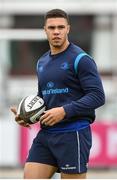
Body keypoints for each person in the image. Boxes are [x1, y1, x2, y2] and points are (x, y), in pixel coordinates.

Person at [11, 9, 105, 179]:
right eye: (52, 27)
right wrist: (27, 115)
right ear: (45, 30)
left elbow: (98, 96)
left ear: (68, 29)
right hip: (46, 135)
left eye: (61, 27)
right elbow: (43, 97)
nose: (56, 31)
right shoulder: (42, 62)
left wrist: (64, 111)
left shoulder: (81, 59)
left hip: (73, 133)